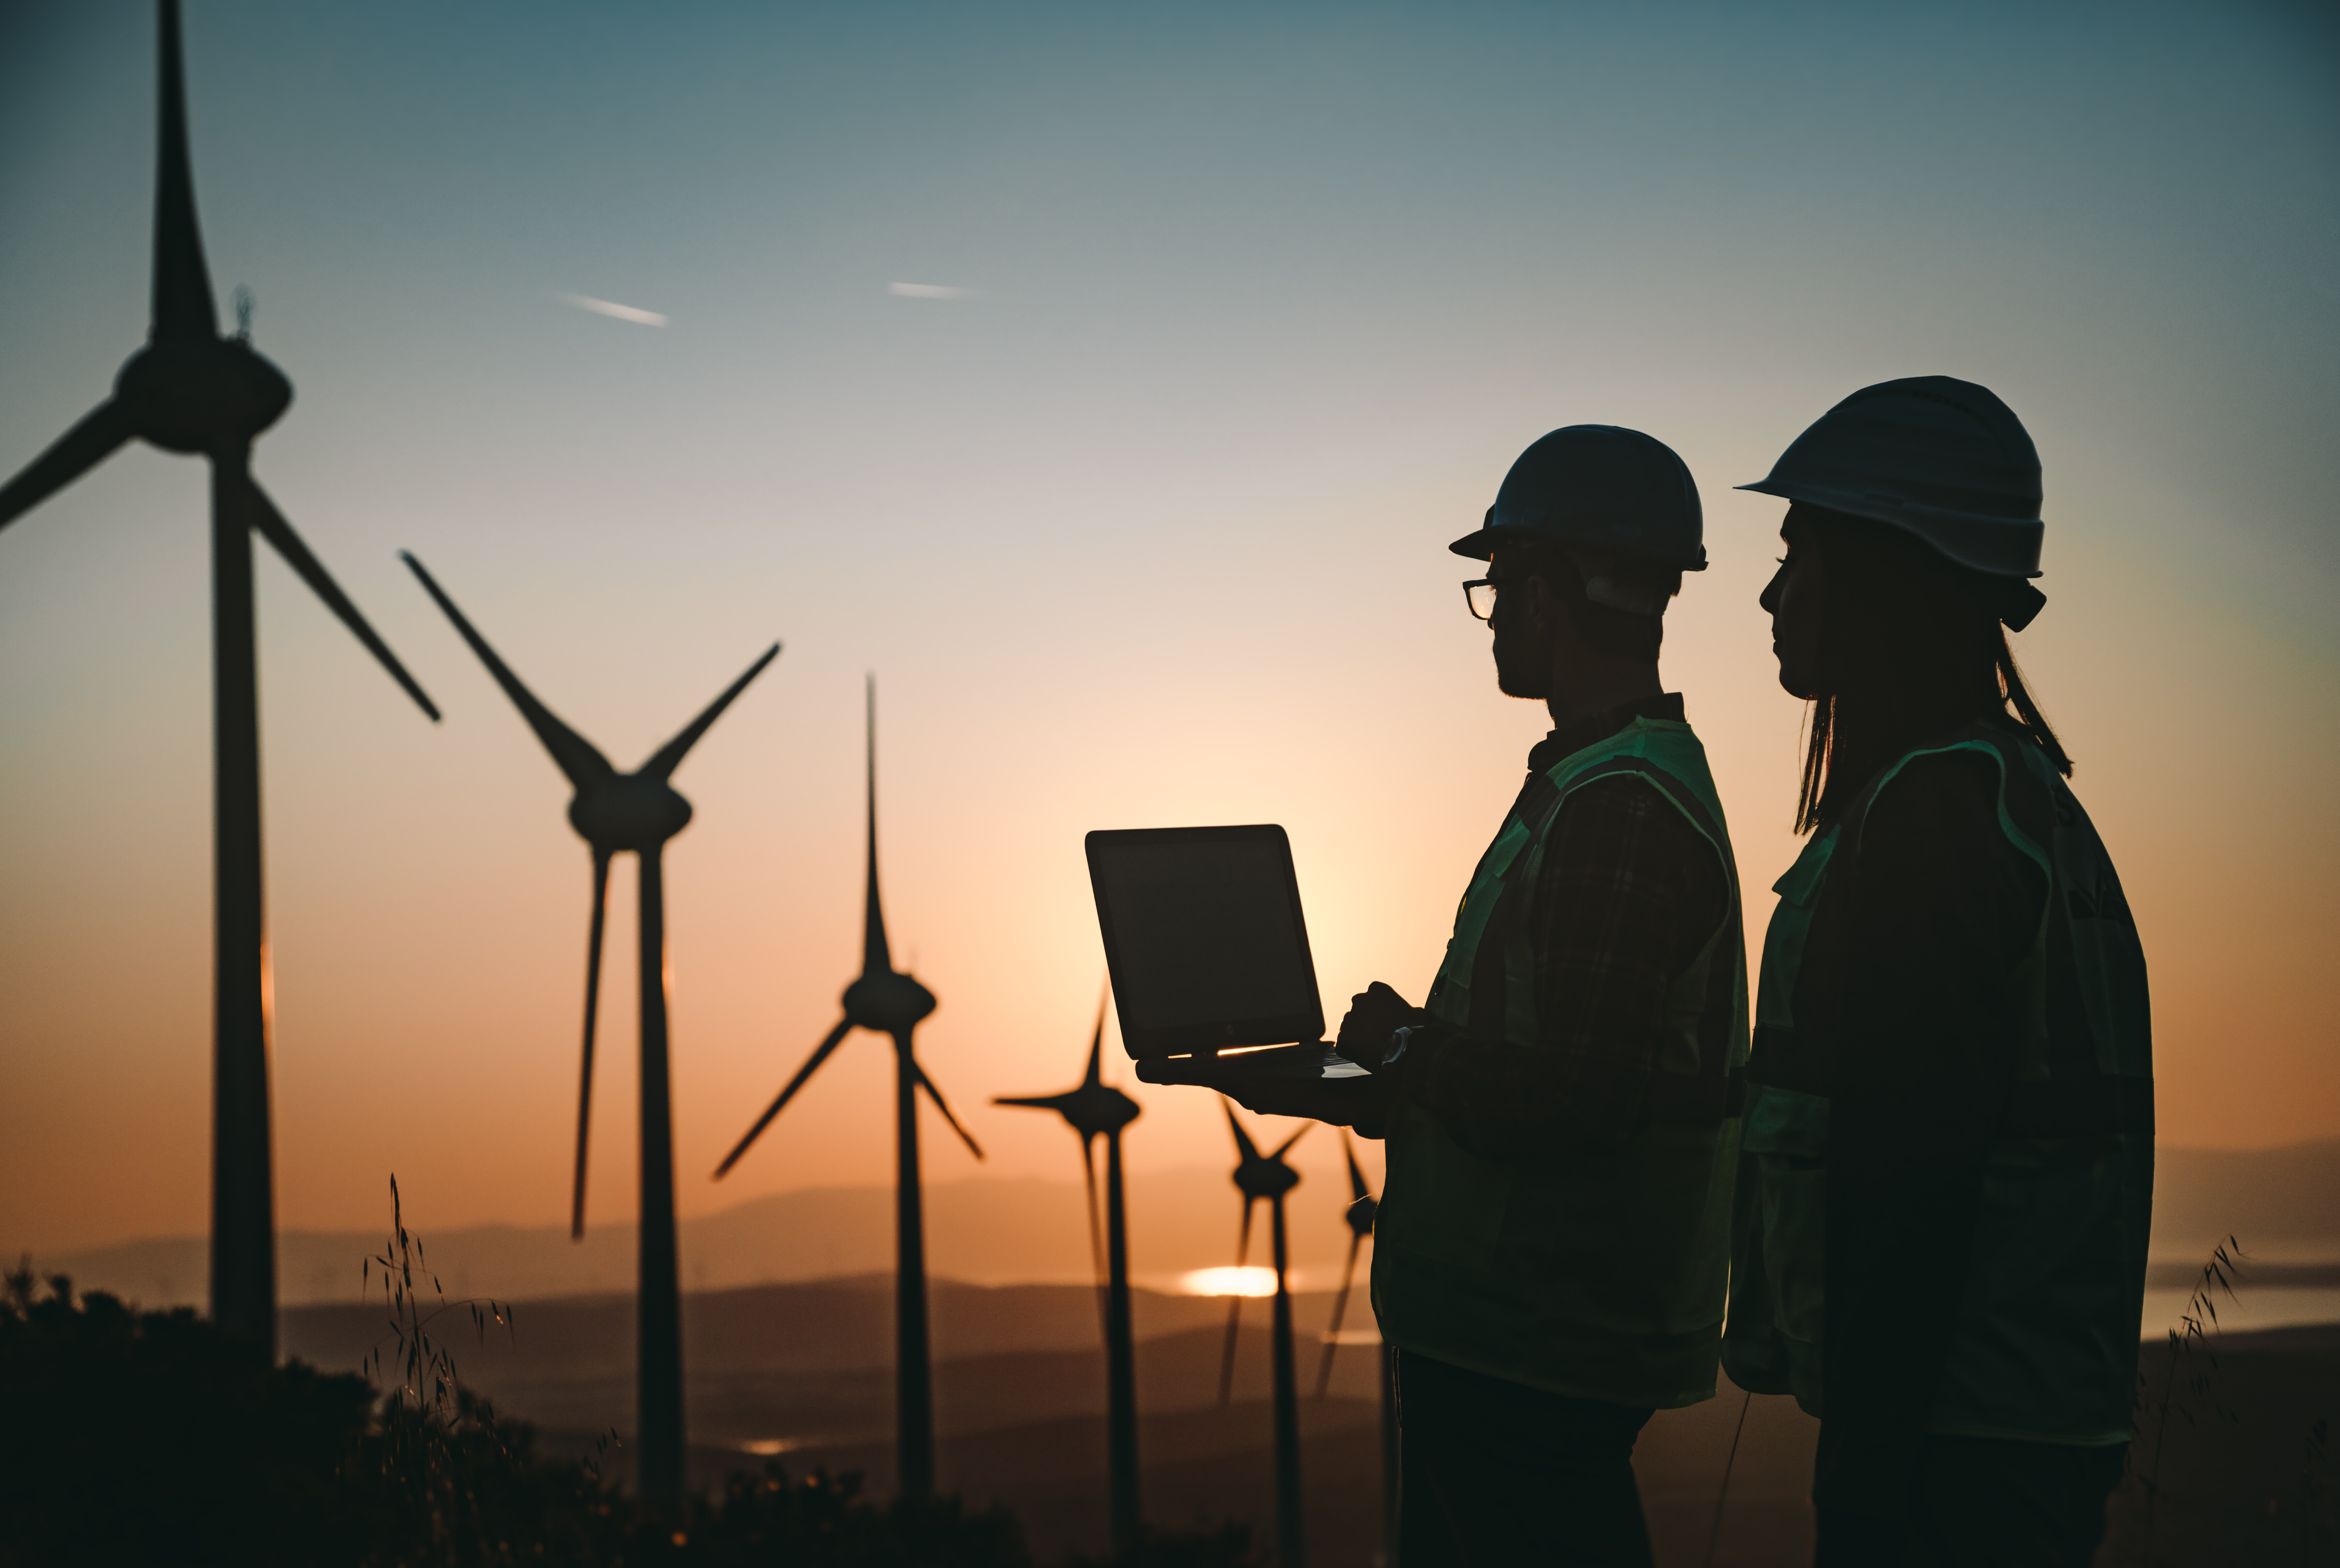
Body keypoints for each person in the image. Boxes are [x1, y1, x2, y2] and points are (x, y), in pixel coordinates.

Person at [1295, 425, 1749, 1566]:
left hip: (1535, 1342)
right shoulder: (1605, 781)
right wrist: (1382, 1077)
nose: (1492, 613)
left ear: (1545, 592)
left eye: (1497, 585)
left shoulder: (1618, 809)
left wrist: (1403, 1051)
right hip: (1523, 1338)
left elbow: (1578, 1100)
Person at [1721, 377, 2154, 1566]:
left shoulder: (1934, 819)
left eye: (1796, 548)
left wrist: (1860, 1478)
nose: (1769, 589)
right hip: (2010, 1433)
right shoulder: (2020, 803)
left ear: (1882, 566)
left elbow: (1907, 1183)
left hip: (1947, 1450)